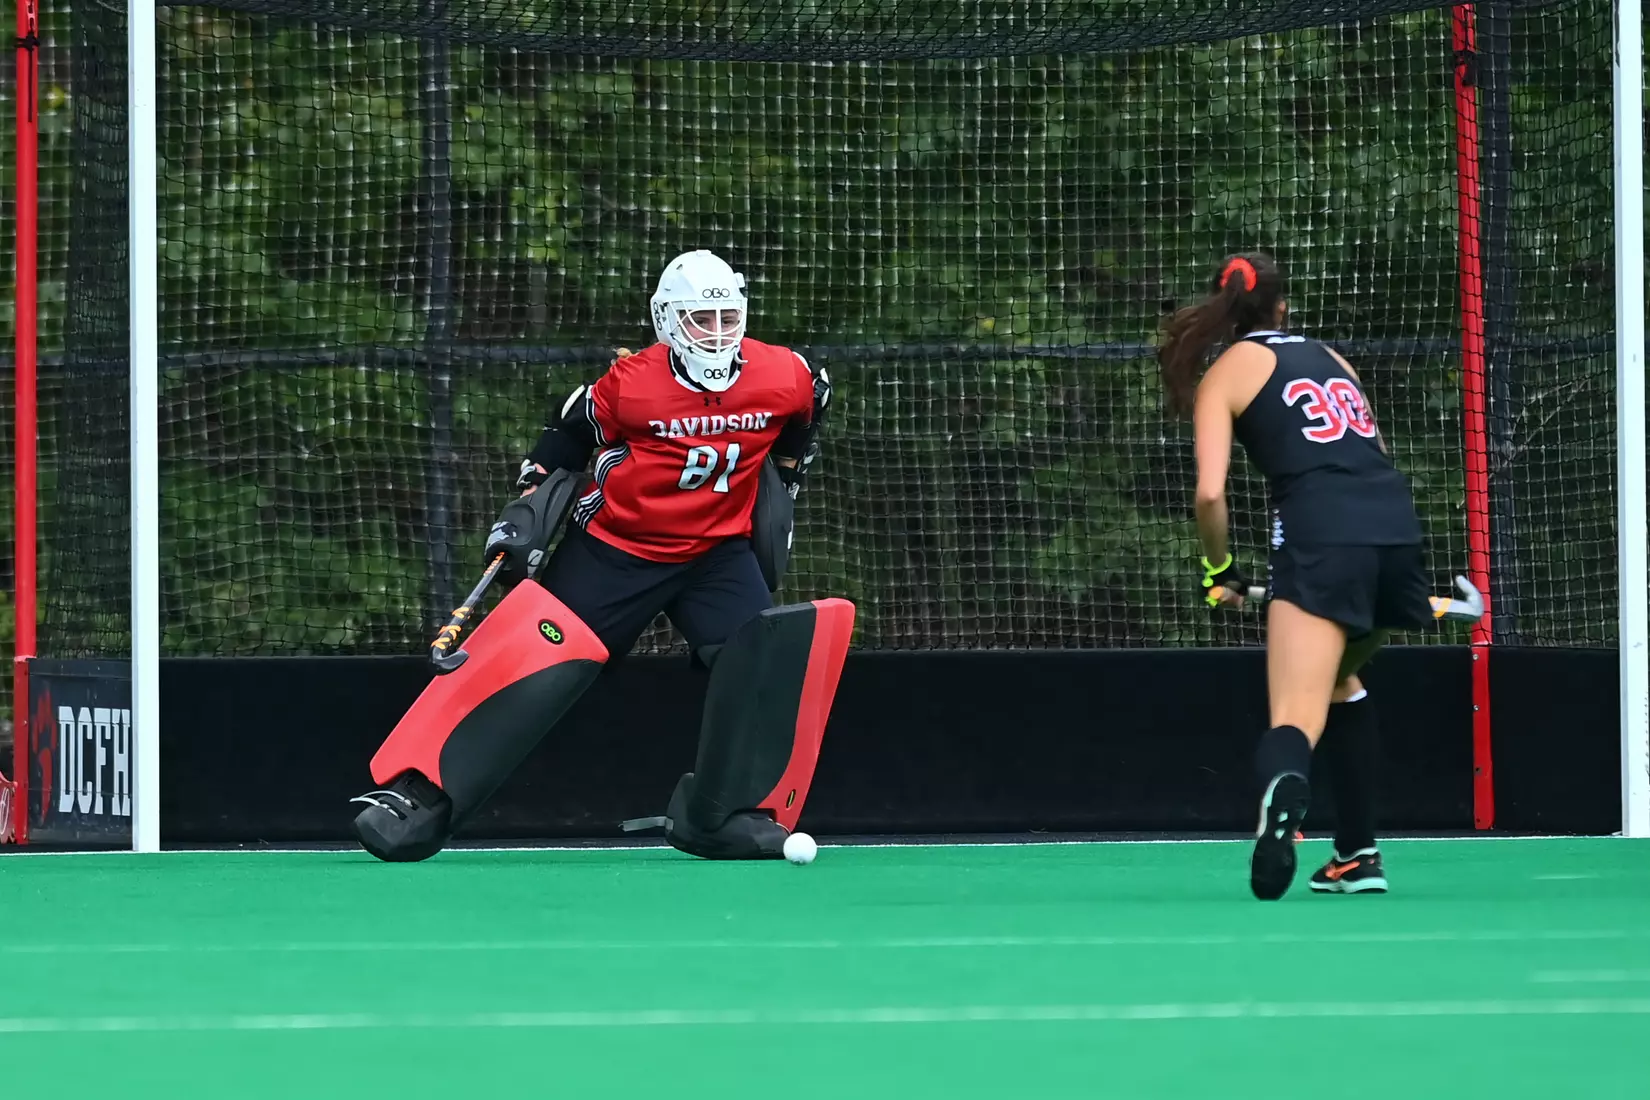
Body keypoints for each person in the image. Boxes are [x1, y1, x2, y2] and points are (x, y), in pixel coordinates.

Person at [350, 249, 844, 863]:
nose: (716, 333)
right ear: (667, 321)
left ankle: (722, 818)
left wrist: (787, 475)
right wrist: (529, 496)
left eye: (726, 318)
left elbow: (807, 410)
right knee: (531, 661)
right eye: (700, 319)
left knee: (761, 666)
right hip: (615, 549)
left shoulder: (786, 374)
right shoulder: (631, 384)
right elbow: (570, 430)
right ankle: (419, 795)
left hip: (717, 554)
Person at [1159, 251, 1429, 900]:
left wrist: (1219, 567)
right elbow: (1373, 454)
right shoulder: (1333, 360)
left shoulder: (1226, 371)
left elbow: (1209, 494)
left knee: (1293, 716)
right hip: (1395, 530)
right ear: (1282, 307)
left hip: (1320, 536)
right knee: (1338, 681)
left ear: (1225, 312)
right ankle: (1357, 855)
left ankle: (1284, 794)